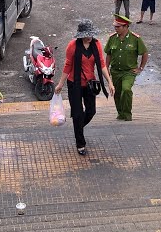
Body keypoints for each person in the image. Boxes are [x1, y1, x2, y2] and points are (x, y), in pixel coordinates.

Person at [54, 20, 113, 156]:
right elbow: (68, 65)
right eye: (87, 34)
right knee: (77, 113)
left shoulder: (96, 44)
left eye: (90, 34)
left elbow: (102, 64)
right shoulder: (72, 46)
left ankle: (78, 128)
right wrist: (60, 84)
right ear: (81, 35)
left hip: (90, 84)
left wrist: (109, 82)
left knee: (91, 111)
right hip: (74, 83)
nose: (89, 37)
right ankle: (80, 143)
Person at [104, 15, 148, 121]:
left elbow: (144, 53)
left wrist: (140, 68)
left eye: (118, 27)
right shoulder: (112, 38)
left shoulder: (135, 39)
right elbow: (108, 54)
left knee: (126, 89)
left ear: (126, 26)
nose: (116, 28)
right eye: (115, 26)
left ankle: (127, 114)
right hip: (115, 71)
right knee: (117, 93)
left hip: (129, 71)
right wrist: (106, 68)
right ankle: (120, 113)